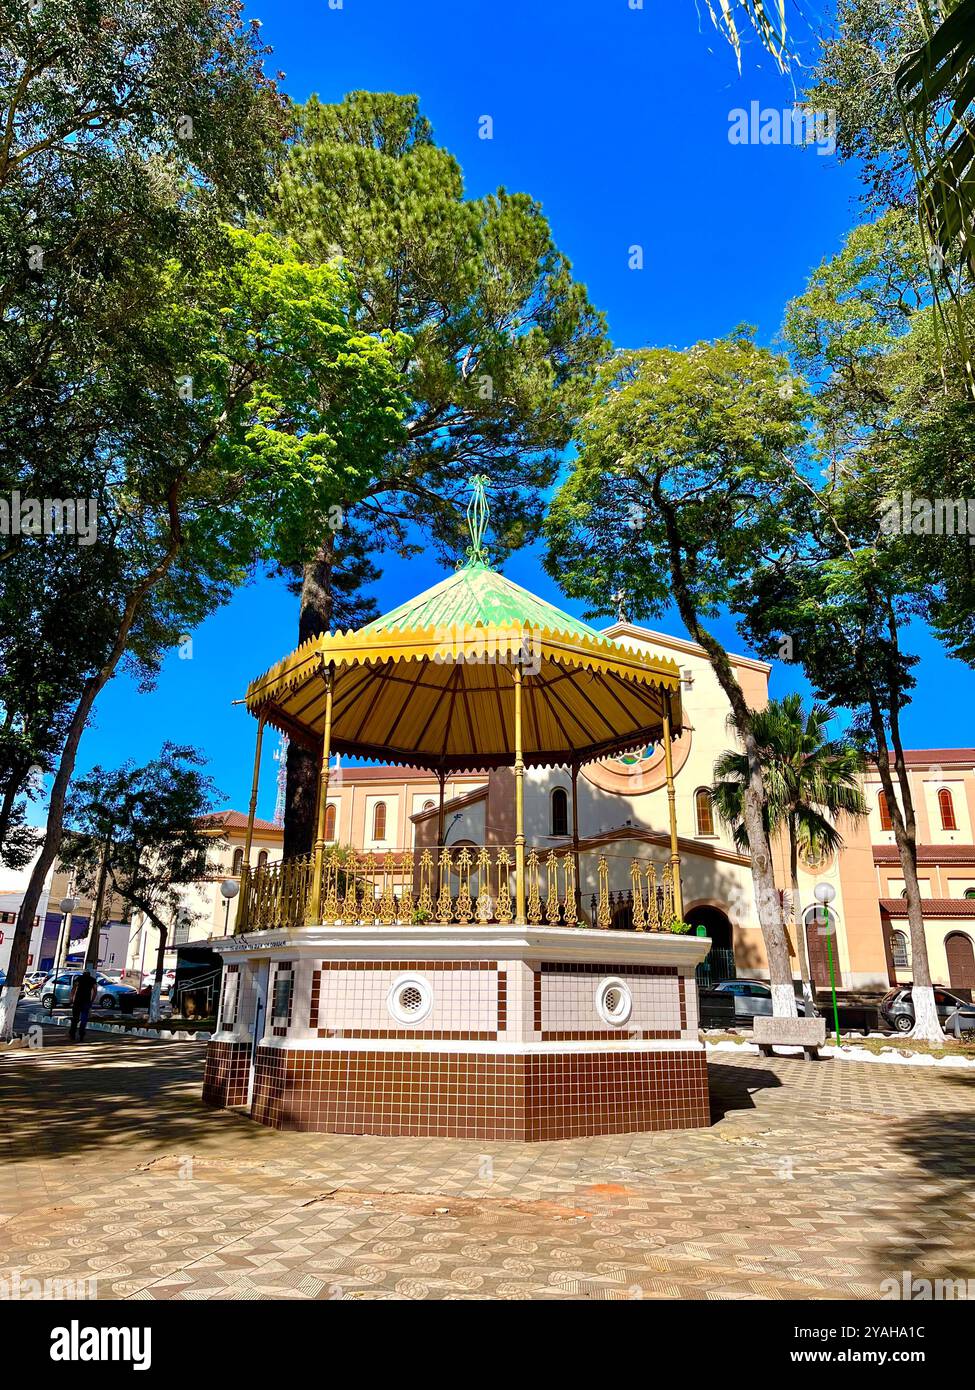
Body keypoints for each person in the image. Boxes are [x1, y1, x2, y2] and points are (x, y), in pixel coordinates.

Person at [69, 966, 97, 1042]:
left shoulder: (79, 978)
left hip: (77, 1001)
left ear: (83, 973)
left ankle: (72, 1034)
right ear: (89, 974)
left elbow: (74, 989)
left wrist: (71, 998)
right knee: (84, 1019)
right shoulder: (92, 980)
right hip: (86, 1001)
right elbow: (95, 991)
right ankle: (81, 1034)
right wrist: (92, 1000)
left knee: (75, 1018)